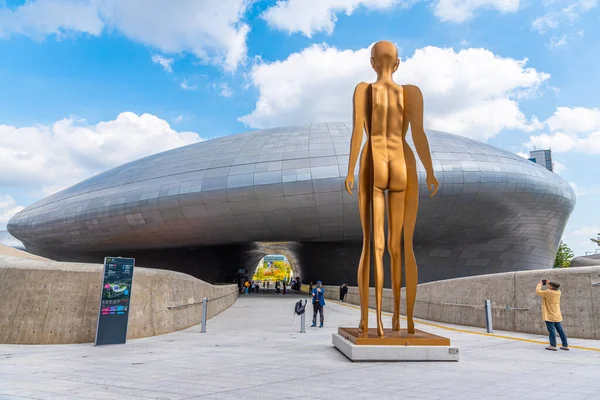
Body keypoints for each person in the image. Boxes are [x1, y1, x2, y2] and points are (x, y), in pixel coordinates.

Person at [345, 40, 438, 336]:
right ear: (398, 64)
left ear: (372, 63)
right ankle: (405, 320)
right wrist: (430, 171)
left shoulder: (364, 90)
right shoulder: (411, 93)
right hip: (403, 161)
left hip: (374, 159)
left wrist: (350, 171)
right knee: (402, 246)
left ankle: (374, 321)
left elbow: (357, 132)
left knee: (373, 244)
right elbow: (419, 135)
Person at [536, 279, 569, 351]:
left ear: (551, 287)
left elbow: (538, 292)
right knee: (560, 330)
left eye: (549, 285)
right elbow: (553, 287)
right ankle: (565, 345)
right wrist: (549, 282)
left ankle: (553, 345)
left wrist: (539, 284)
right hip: (557, 314)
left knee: (551, 330)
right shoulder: (558, 292)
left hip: (549, 315)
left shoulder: (548, 292)